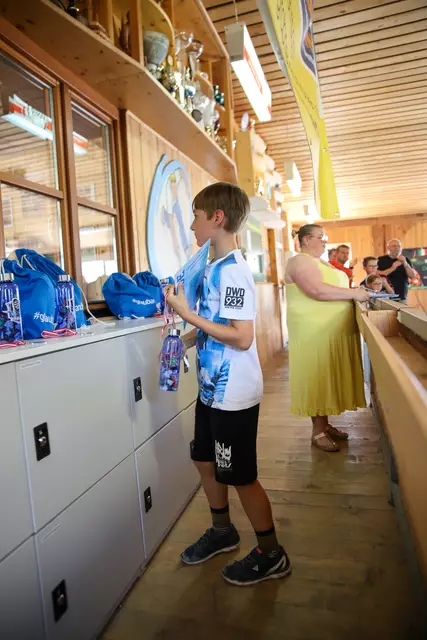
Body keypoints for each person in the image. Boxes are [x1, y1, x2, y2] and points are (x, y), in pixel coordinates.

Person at [166, 182, 291, 586]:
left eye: (196, 217)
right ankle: (223, 531)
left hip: (233, 394)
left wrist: (186, 313)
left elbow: (241, 336)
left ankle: (272, 554)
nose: (191, 225)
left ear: (216, 218)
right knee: (205, 461)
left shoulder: (234, 271)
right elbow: (216, 325)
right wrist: (184, 342)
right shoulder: (211, 267)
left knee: (239, 475)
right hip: (210, 391)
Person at [285, 224, 371, 452]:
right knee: (319, 375)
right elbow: (317, 290)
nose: (325, 241)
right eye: (320, 237)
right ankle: (318, 431)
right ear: (305, 239)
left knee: (328, 376)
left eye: (325, 237)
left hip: (331, 330)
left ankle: (325, 424)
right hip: (314, 330)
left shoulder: (320, 262)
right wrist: (354, 293)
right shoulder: (299, 261)